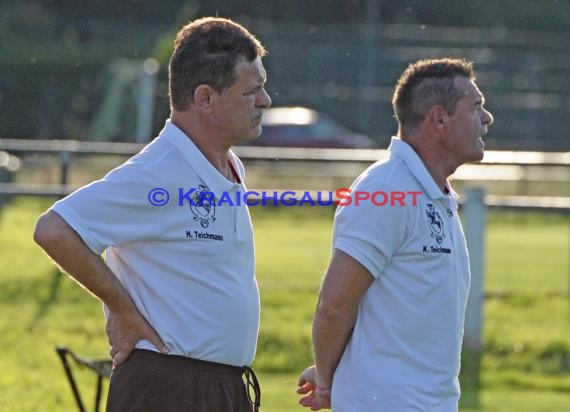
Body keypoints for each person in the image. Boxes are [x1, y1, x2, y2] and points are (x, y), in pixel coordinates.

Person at [34, 17, 271, 412]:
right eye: (252, 91)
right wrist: (124, 311)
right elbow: (54, 229)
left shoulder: (229, 165)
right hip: (166, 389)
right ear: (205, 99)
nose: (265, 101)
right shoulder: (157, 172)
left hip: (221, 388)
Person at [297, 58, 494, 411]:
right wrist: (327, 381)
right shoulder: (385, 188)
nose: (486, 118)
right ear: (439, 118)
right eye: (476, 107)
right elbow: (335, 305)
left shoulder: (434, 192)